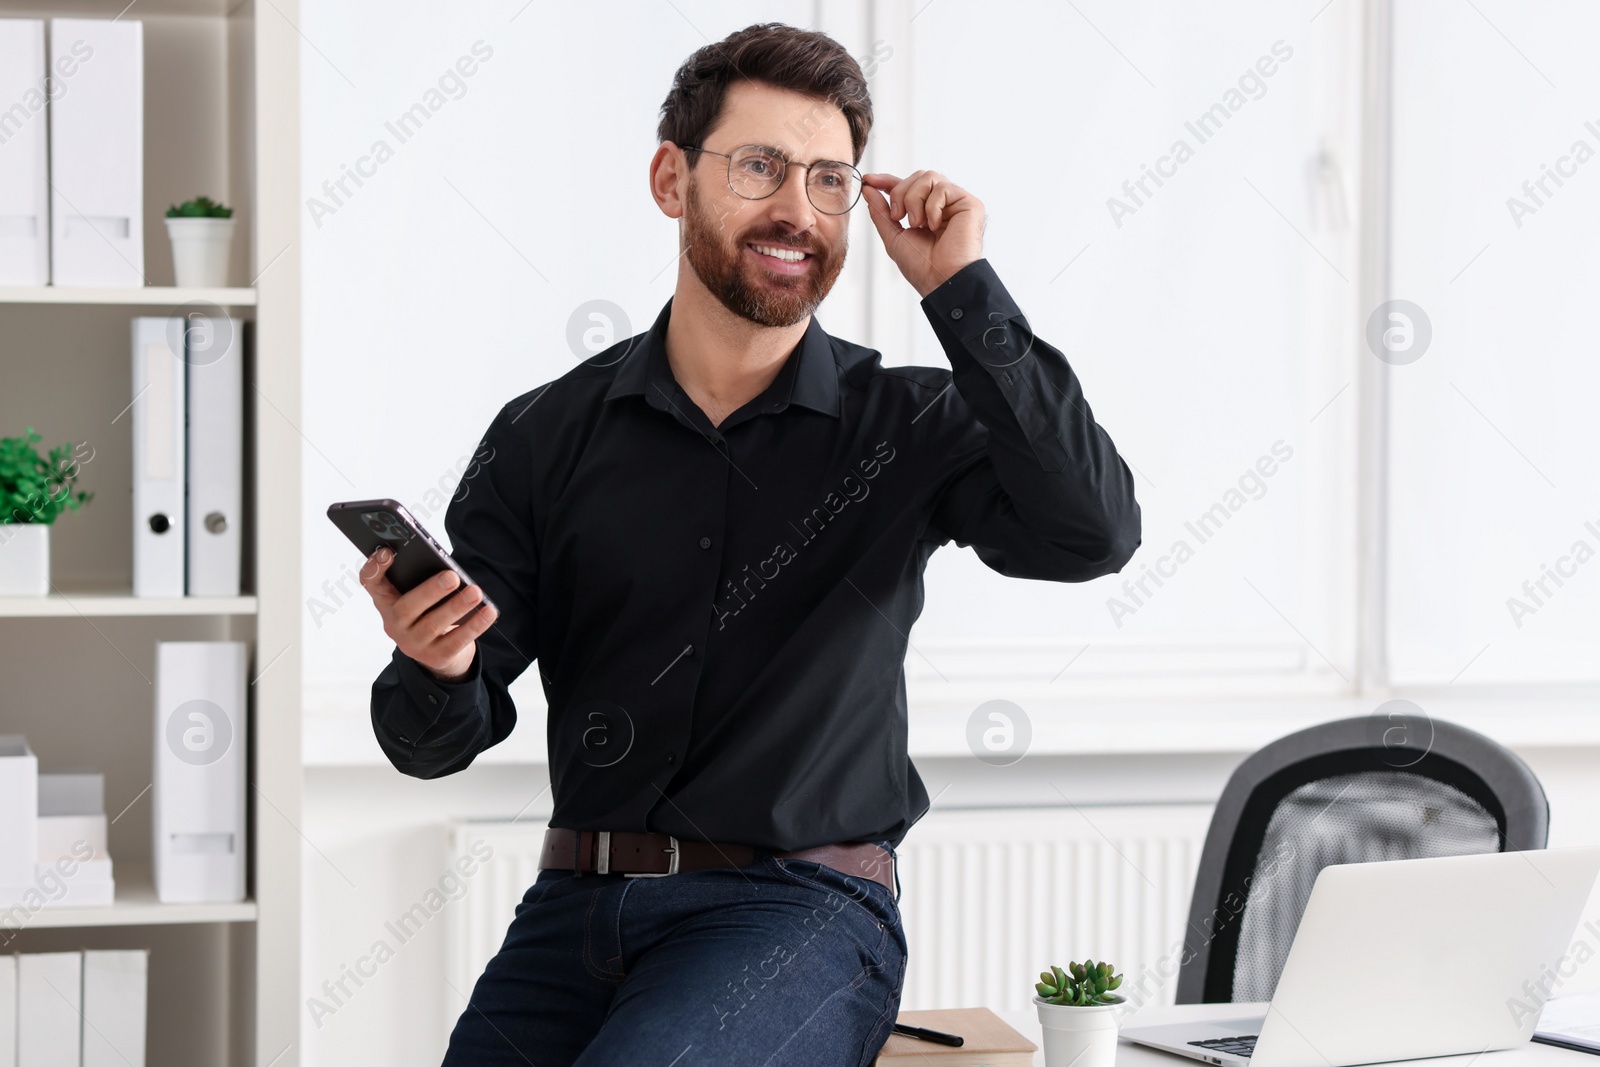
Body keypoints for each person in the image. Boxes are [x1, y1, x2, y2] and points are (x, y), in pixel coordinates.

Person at [359, 21, 1140, 1067]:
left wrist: (961, 290)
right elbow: (434, 740)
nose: (796, 210)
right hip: (572, 910)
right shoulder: (543, 434)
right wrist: (435, 660)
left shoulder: (907, 422)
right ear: (670, 178)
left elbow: (1090, 532)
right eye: (762, 166)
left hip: (797, 913)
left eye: (829, 179)